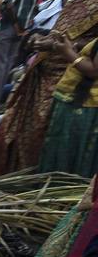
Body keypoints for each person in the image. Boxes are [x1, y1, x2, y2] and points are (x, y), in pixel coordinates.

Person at [0, 0, 98, 174]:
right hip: (48, 66)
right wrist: (42, 40)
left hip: (75, 77)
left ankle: (40, 176)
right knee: (23, 123)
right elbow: (64, 27)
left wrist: (62, 47)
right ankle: (20, 170)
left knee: (49, 130)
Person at [39, 36, 98, 176]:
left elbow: (94, 71)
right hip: (80, 99)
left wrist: (67, 52)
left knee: (68, 149)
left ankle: (60, 185)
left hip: (85, 104)